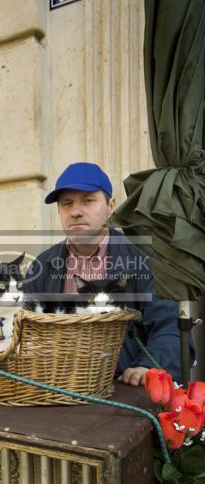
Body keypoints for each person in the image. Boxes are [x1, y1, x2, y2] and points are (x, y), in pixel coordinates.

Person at [23, 162, 187, 385]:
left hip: (122, 386)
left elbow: (168, 328)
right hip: (55, 387)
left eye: (88, 200)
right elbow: (24, 329)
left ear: (111, 206)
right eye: (67, 204)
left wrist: (148, 366)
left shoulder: (145, 259)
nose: (76, 212)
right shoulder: (42, 265)